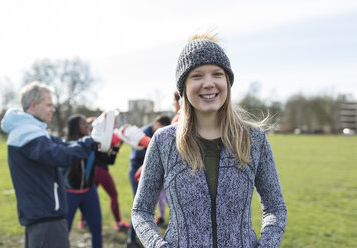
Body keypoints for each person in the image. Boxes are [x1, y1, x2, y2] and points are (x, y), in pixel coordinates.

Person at [131, 33, 287, 247]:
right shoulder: (163, 141)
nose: (208, 83)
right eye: (197, 76)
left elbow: (275, 208)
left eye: (217, 74)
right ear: (183, 86)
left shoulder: (254, 139)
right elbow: (141, 211)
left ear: (227, 81)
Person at [0, 82, 105, 248]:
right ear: (33, 105)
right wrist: (91, 141)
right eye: (48, 105)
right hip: (45, 219)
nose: (53, 109)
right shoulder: (27, 132)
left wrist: (91, 139)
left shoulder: (31, 129)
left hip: (43, 217)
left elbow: (62, 145)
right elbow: (59, 156)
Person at [78, 116, 130, 232]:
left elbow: (110, 160)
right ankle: (118, 222)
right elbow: (105, 159)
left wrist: (116, 148)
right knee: (113, 194)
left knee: (88, 196)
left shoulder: (102, 137)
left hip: (95, 171)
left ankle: (83, 221)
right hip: (99, 170)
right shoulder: (95, 138)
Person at [126, 115, 171, 248]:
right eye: (161, 128)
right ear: (157, 124)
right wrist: (152, 145)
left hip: (154, 172)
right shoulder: (142, 133)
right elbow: (138, 155)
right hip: (138, 172)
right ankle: (130, 240)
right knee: (139, 206)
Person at [63, 115, 103, 248]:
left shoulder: (92, 143)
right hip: (69, 194)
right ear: (75, 127)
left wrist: (115, 147)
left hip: (89, 193)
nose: (87, 125)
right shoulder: (66, 145)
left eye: (87, 123)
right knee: (64, 232)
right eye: (83, 123)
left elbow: (109, 160)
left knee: (96, 228)